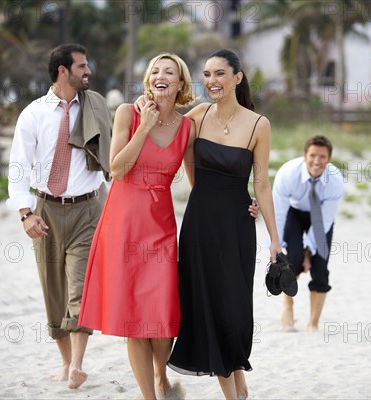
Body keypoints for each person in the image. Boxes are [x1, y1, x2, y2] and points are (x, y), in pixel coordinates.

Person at [78, 52, 258, 400]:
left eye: (170, 72)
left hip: (160, 225)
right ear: (149, 79)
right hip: (124, 221)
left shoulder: (187, 127)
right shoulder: (127, 113)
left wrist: (238, 204)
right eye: (155, 70)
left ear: (179, 85)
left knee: (162, 315)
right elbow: (116, 169)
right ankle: (150, 395)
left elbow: (201, 183)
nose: (161, 75)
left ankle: (161, 375)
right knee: (134, 319)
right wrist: (144, 126)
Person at [165, 49, 282, 400]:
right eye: (206, 74)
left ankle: (238, 378)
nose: (211, 81)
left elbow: (261, 183)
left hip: (237, 227)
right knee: (207, 306)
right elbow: (186, 162)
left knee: (234, 311)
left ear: (237, 77)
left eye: (219, 74)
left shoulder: (259, 124)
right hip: (200, 225)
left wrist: (274, 239)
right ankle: (233, 394)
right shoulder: (197, 116)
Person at [6, 44, 112, 389]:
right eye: (82, 66)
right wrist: (25, 214)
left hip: (88, 209)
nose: (88, 72)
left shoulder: (96, 106)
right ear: (62, 71)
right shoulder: (34, 114)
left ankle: (79, 365)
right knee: (53, 289)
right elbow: (19, 166)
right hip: (46, 209)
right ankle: (65, 362)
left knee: (79, 288)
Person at [272, 135, 345, 332]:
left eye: (322, 157)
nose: (317, 161)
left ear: (328, 159)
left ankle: (313, 323)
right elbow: (278, 213)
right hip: (293, 214)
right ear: (304, 155)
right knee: (292, 259)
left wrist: (310, 252)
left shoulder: (335, 180)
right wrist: (276, 244)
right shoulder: (288, 173)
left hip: (320, 216)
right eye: (313, 155)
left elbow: (326, 219)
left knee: (320, 267)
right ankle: (288, 307)